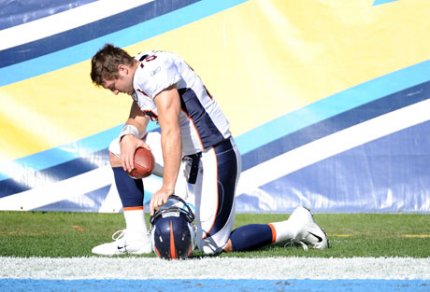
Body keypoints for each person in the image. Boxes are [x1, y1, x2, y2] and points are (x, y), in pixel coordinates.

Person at [89, 44, 329, 256]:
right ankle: (137, 239)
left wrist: (168, 188)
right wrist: (128, 136)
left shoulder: (152, 73)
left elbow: (170, 129)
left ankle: (295, 226)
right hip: (186, 155)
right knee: (119, 149)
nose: (115, 91)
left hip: (212, 153)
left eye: (113, 86)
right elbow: (140, 114)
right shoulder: (139, 71)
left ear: (122, 69)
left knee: (211, 245)